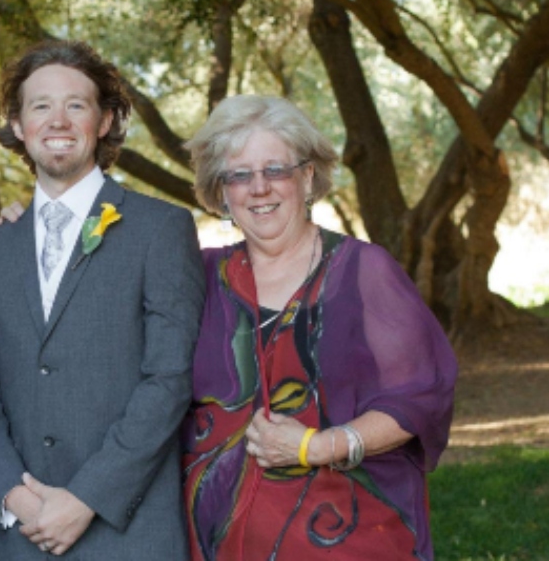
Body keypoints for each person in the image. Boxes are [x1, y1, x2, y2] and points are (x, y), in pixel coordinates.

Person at [181, 95, 457, 560]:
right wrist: (22, 232)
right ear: (221, 192)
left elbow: (419, 396)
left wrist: (319, 445)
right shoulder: (197, 278)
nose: (259, 188)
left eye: (276, 170)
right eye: (240, 175)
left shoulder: (363, 271)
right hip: (217, 543)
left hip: (349, 538)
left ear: (307, 176)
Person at [0, 40, 205, 559]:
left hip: (129, 532)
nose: (58, 120)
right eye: (40, 105)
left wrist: (86, 498)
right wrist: (17, 498)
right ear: (17, 123)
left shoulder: (160, 228)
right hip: (25, 536)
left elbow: (168, 379)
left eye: (76, 104)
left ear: (105, 120)